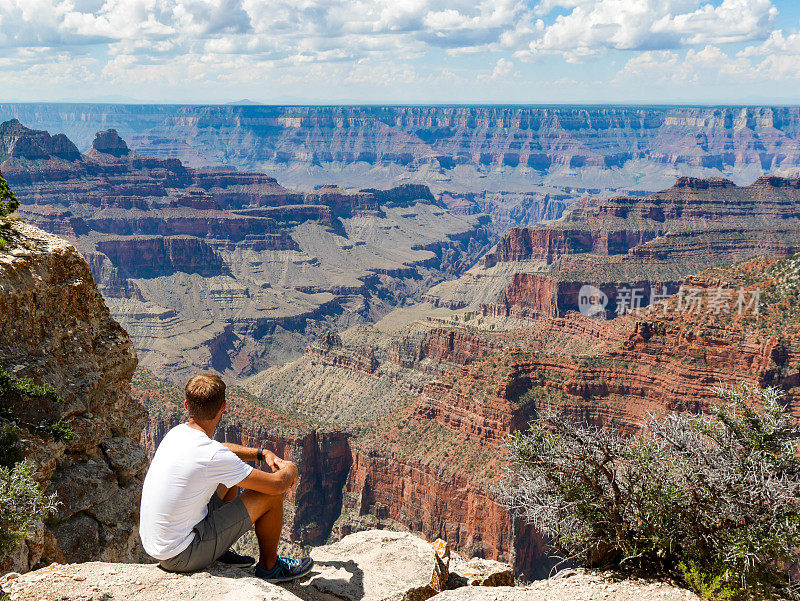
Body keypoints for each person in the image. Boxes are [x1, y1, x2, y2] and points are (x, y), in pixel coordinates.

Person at [139, 373, 313, 582]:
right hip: (181, 555)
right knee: (270, 495)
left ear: (186, 405)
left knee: (227, 477)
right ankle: (270, 567)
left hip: (158, 545)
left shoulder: (176, 433)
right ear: (223, 407)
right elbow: (277, 485)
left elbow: (221, 450)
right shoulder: (212, 456)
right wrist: (291, 468)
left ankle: (218, 551)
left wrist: (262, 453)